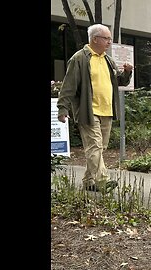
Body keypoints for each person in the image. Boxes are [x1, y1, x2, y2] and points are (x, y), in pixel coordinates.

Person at [57, 23, 133, 193]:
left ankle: (88, 181)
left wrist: (127, 73)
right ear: (95, 39)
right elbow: (68, 86)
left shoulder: (108, 59)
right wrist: (63, 109)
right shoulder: (80, 58)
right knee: (95, 146)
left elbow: (120, 82)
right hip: (88, 111)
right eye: (106, 38)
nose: (109, 42)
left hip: (107, 110)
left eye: (109, 39)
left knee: (100, 147)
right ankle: (102, 181)